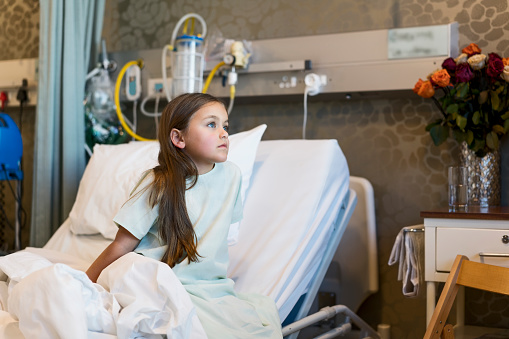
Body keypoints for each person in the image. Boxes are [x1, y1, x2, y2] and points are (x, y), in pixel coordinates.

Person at [86, 93, 282, 338]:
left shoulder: (231, 175)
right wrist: (84, 284)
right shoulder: (157, 183)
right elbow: (122, 245)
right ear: (178, 138)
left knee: (254, 319)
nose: (224, 133)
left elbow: (216, 241)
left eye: (225, 126)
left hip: (209, 286)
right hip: (155, 280)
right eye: (212, 124)